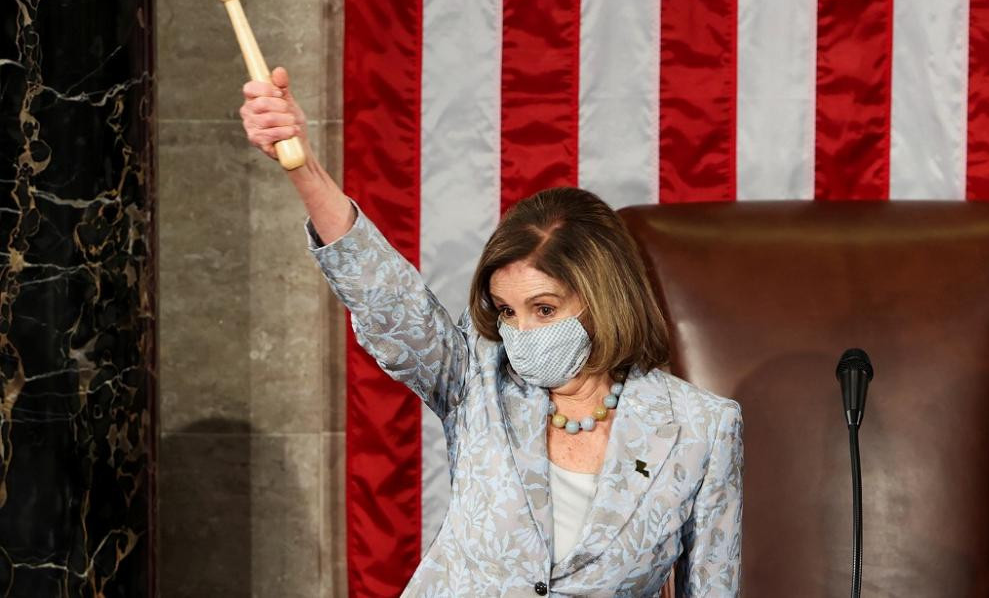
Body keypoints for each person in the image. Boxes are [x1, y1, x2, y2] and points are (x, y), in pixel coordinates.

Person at [239, 68, 744, 596]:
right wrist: (304, 170)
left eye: (544, 310)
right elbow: (385, 299)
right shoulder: (475, 375)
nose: (520, 333)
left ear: (603, 300)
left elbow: (712, 587)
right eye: (506, 311)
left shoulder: (701, 428)